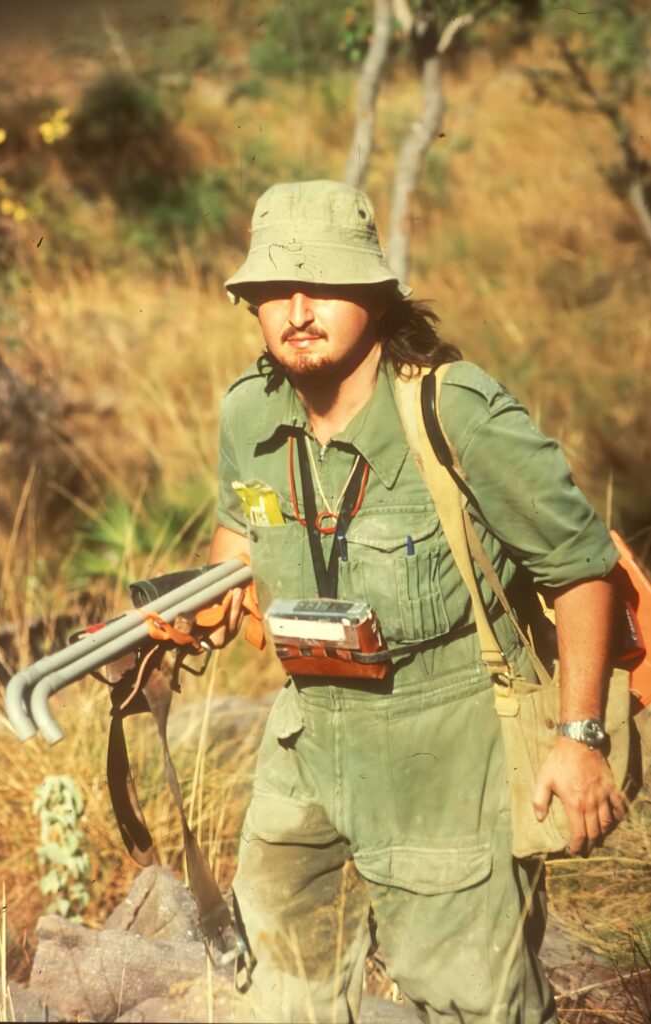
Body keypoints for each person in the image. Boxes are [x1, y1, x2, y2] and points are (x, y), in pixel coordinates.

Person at [207, 180, 625, 1023]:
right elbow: (243, 526)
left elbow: (581, 571)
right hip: (303, 729)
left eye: (321, 285)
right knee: (281, 983)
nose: (296, 310)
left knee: (472, 996)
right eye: (273, 291)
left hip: (441, 737)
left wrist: (579, 740)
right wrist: (208, 596)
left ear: (371, 292)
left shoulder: (453, 408)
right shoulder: (247, 411)